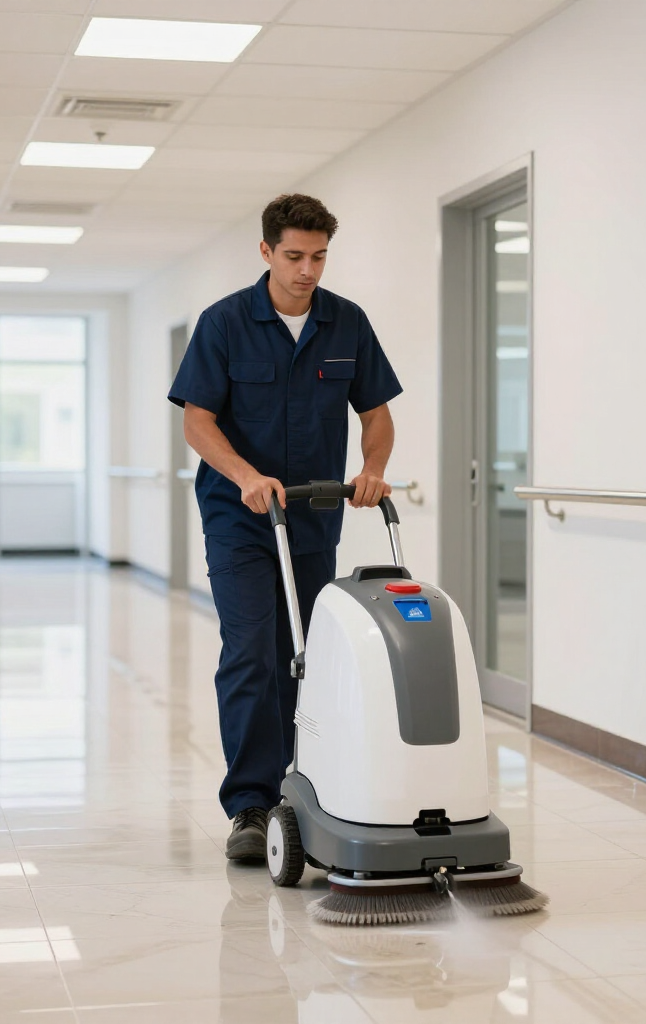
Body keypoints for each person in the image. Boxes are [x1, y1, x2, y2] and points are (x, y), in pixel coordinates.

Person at [168, 194, 403, 861]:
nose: (307, 270)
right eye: (294, 256)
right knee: (250, 650)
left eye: (319, 256)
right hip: (238, 515)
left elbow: (377, 414)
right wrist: (244, 474)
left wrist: (374, 468)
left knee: (299, 653)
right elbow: (197, 420)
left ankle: (299, 788)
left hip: (311, 513)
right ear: (267, 251)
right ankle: (249, 804)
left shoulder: (346, 324)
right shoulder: (224, 323)